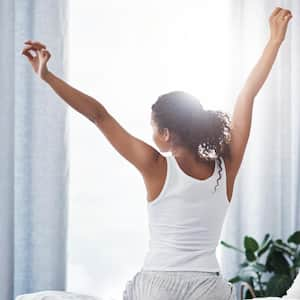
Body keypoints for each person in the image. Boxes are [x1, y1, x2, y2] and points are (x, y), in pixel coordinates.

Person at [21, 6, 292, 300]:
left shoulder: (155, 165)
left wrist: (47, 76)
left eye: (153, 127)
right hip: (208, 286)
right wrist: (274, 41)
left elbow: (98, 115)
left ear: (166, 134)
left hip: (156, 285)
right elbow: (247, 94)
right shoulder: (226, 166)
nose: (151, 133)